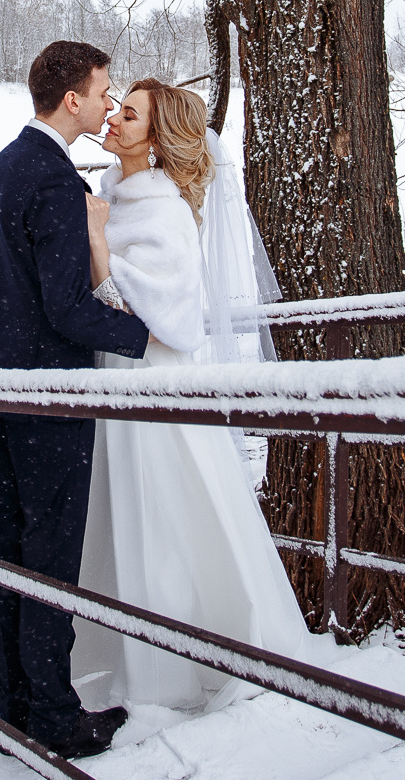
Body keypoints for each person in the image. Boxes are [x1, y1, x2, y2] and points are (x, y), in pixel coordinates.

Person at [73, 78, 311, 715]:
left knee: (163, 514)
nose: (114, 119)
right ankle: (115, 644)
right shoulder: (114, 194)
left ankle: (174, 663)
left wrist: (97, 245)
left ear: (156, 139)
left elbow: (166, 321)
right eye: (118, 108)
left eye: (130, 116)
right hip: (109, 376)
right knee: (117, 512)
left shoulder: (166, 210)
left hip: (149, 382)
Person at [0, 40, 150, 760]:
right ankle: (52, 716)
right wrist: (143, 334)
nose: (109, 105)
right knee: (48, 553)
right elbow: (67, 308)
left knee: (11, 545)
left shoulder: (5, 165)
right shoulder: (53, 181)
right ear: (72, 99)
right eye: (104, 92)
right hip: (46, 392)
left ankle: (16, 703)